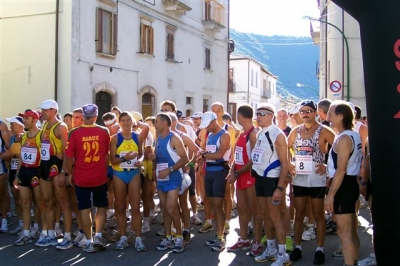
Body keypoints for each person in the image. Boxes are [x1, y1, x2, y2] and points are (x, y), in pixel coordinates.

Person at [287, 100, 335, 264]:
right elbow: (284, 148)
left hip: (316, 177)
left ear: (315, 112)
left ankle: (319, 249)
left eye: (308, 111)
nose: (305, 114)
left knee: (318, 214)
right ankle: (298, 247)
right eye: (302, 111)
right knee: (299, 213)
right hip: (299, 177)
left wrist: (328, 166)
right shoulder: (295, 131)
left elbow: (340, 148)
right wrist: (288, 163)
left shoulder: (324, 130)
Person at [65, 104, 110, 253]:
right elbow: (106, 154)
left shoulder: (74, 133)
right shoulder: (104, 131)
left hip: (81, 176)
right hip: (99, 176)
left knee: (84, 209)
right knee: (101, 206)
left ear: (83, 116)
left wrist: (68, 173)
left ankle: (89, 241)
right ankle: (98, 236)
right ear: (96, 116)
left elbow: (69, 156)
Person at [251, 103, 291, 265]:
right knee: (264, 214)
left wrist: (280, 187)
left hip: (272, 179)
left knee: (275, 216)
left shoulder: (277, 134)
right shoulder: (261, 133)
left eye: (262, 114)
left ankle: (283, 255)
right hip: (259, 178)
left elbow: (285, 163)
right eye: (257, 113)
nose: (258, 116)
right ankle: (271, 249)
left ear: (271, 115)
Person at [325, 101, 362, 266]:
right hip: (349, 183)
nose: (328, 118)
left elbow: (341, 170)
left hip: (344, 186)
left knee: (344, 232)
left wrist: (330, 196)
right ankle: (353, 262)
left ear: (341, 117)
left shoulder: (345, 138)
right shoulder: (353, 134)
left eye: (331, 114)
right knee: (351, 231)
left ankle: (350, 263)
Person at [36, 99, 72, 249]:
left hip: (57, 167)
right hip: (45, 165)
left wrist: (64, 172)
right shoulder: (45, 125)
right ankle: (50, 234)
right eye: (43, 110)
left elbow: (68, 151)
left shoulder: (61, 127)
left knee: (62, 202)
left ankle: (68, 237)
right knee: (47, 201)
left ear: (54, 111)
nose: (43, 112)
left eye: (46, 110)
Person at [226, 105, 261, 255]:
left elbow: (254, 160)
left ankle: (258, 241)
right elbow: (237, 155)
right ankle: (244, 238)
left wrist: (237, 173)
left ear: (240, 116)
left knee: (255, 210)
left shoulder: (253, 134)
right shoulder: (241, 133)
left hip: (250, 177)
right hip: (240, 176)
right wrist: (232, 171)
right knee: (241, 208)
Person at [151, 113, 188, 253]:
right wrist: (153, 159)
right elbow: (158, 157)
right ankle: (168, 237)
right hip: (161, 177)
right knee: (165, 209)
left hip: (173, 177)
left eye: (156, 122)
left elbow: (185, 159)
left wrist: (170, 169)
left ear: (165, 123)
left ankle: (179, 237)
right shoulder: (158, 138)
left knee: (172, 207)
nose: (154, 125)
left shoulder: (174, 138)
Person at [110, 111, 146, 251]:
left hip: (134, 174)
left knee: (136, 207)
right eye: (123, 121)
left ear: (132, 122)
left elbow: (142, 155)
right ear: (119, 123)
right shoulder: (115, 138)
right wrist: (126, 158)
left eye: (128, 120)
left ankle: (138, 238)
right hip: (119, 173)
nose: (125, 123)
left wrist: (140, 161)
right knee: (120, 206)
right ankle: (123, 237)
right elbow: (112, 160)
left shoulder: (138, 137)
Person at [199, 111, 231, 252]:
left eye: (207, 125)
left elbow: (219, 155)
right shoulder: (210, 135)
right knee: (212, 203)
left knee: (218, 206)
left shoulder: (225, 135)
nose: (206, 128)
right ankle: (217, 234)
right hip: (209, 172)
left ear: (213, 122)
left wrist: (203, 155)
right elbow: (208, 153)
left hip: (219, 172)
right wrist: (202, 155)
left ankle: (220, 237)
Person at [11, 112, 43, 245]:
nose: (24, 121)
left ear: (35, 120)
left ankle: (36, 228)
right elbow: (21, 158)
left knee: (39, 202)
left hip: (37, 171)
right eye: (23, 118)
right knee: (25, 203)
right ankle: (25, 232)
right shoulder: (23, 137)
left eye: (26, 118)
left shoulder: (41, 135)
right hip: (24, 170)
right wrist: (17, 175)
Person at [3, 116, 25, 236]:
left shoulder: (25, 137)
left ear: (20, 126)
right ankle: (21, 224)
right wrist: (8, 157)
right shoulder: (12, 138)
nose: (10, 127)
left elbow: (24, 154)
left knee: (24, 200)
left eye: (13, 124)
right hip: (12, 170)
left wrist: (13, 155)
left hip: (23, 172)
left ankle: (29, 226)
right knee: (16, 199)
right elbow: (11, 155)